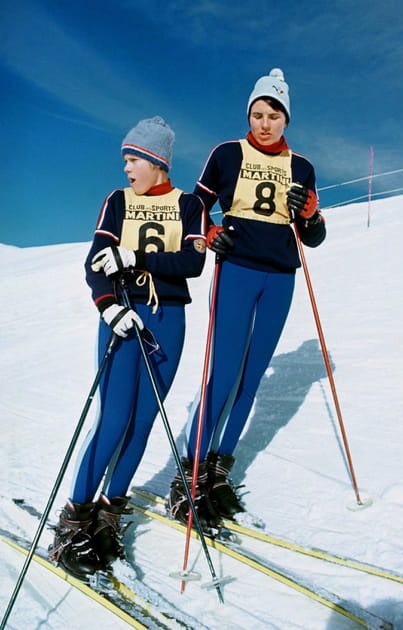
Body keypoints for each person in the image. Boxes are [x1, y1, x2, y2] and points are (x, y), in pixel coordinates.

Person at [49, 116, 207, 581]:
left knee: (142, 422)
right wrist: (108, 307)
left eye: (133, 158)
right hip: (122, 313)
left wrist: (137, 257)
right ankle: (74, 519)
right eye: (125, 158)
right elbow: (94, 263)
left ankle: (109, 514)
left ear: (157, 161)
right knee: (114, 418)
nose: (126, 168)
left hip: (167, 316)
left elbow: (193, 260)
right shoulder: (117, 202)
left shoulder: (190, 204)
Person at [168, 68, 326, 527]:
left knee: (252, 376)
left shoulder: (303, 167)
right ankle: (190, 474)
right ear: (249, 116)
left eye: (274, 115)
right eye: (257, 114)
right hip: (237, 269)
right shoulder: (227, 153)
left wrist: (311, 216)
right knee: (225, 372)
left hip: (280, 276)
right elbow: (193, 205)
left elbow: (312, 236)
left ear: (286, 119)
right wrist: (211, 231)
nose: (264, 123)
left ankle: (218, 470)